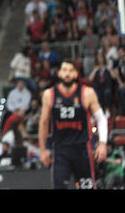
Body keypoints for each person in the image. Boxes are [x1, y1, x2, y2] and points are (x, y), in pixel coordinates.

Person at [38, 58, 109, 189]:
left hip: (82, 150)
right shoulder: (49, 94)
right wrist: (42, 150)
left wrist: (103, 143)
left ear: (76, 74)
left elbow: (101, 118)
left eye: (71, 70)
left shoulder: (87, 93)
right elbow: (43, 123)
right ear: (59, 73)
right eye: (64, 70)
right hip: (60, 150)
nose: (67, 73)